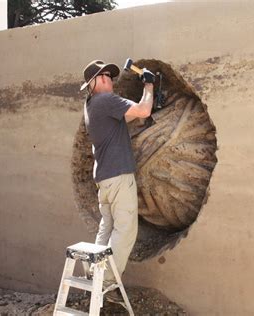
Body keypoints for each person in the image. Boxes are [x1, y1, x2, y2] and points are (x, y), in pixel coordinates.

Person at [79, 60, 154, 303]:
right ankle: (107, 282)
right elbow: (143, 111)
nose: (112, 81)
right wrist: (149, 86)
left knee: (107, 226)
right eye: (109, 77)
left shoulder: (92, 105)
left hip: (104, 179)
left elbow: (126, 118)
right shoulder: (105, 101)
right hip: (119, 176)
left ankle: (93, 274)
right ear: (99, 80)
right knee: (126, 229)